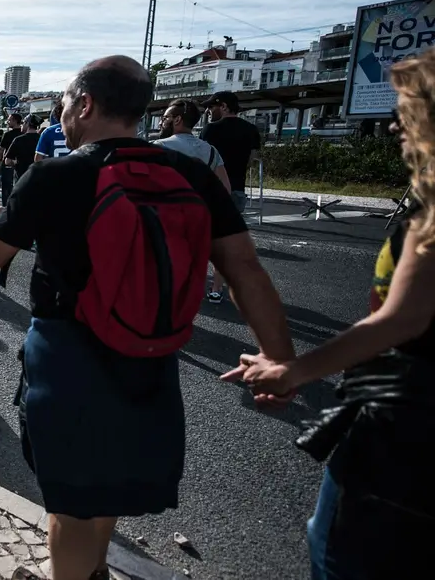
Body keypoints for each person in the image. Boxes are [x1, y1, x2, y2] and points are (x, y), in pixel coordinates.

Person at [0, 55, 294, 580]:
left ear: (85, 103)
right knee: (109, 478)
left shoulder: (55, 174)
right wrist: (281, 358)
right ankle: (94, 570)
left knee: (72, 500)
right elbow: (245, 270)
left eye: (65, 104)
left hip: (67, 355)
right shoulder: (190, 173)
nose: (63, 115)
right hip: (151, 353)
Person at [223, 50, 435, 580]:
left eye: (408, 110)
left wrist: (289, 370)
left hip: (407, 433)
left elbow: (401, 320)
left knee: (342, 555)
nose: (392, 123)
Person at [199, 91, 261, 302]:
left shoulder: (211, 130)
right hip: (236, 191)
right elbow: (253, 159)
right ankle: (217, 288)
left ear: (223, 106)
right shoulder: (251, 130)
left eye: (211, 107)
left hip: (209, 190)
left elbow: (203, 158)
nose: (208, 111)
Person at [154, 98, 231, 193]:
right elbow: (226, 189)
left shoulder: (159, 146)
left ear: (177, 119)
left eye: (165, 118)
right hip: (200, 205)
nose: (160, 123)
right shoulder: (211, 151)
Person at [3, 114, 43, 187]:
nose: (22, 125)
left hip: (21, 178)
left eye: (23, 123)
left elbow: (7, 161)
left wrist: (15, 163)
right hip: (38, 178)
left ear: (27, 124)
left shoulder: (18, 140)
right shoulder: (42, 139)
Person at [0, 113, 23, 196]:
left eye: (9, 120)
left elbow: (0, 151)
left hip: (8, 163)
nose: (7, 122)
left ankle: (6, 206)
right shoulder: (24, 134)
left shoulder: (7, 135)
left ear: (15, 121)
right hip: (21, 164)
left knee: (6, 188)